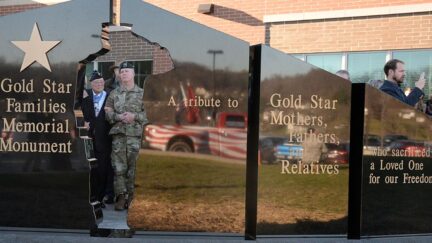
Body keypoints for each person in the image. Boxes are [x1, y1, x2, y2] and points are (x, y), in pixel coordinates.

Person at [104, 62, 147, 211]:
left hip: (135, 136)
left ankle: (132, 197)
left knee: (134, 168)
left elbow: (148, 115)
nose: (124, 74)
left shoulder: (142, 94)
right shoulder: (114, 94)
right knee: (118, 168)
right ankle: (121, 197)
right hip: (119, 137)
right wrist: (118, 117)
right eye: (122, 72)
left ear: (133, 74)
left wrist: (135, 116)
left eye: (127, 71)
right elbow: (107, 112)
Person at [81, 70, 114, 206]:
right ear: (91, 83)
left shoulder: (110, 96)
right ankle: (89, 197)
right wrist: (81, 122)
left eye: (101, 82)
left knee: (102, 170)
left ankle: (99, 198)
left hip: (104, 141)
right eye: (97, 82)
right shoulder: (85, 95)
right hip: (88, 140)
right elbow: (76, 110)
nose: (100, 84)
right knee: (89, 170)